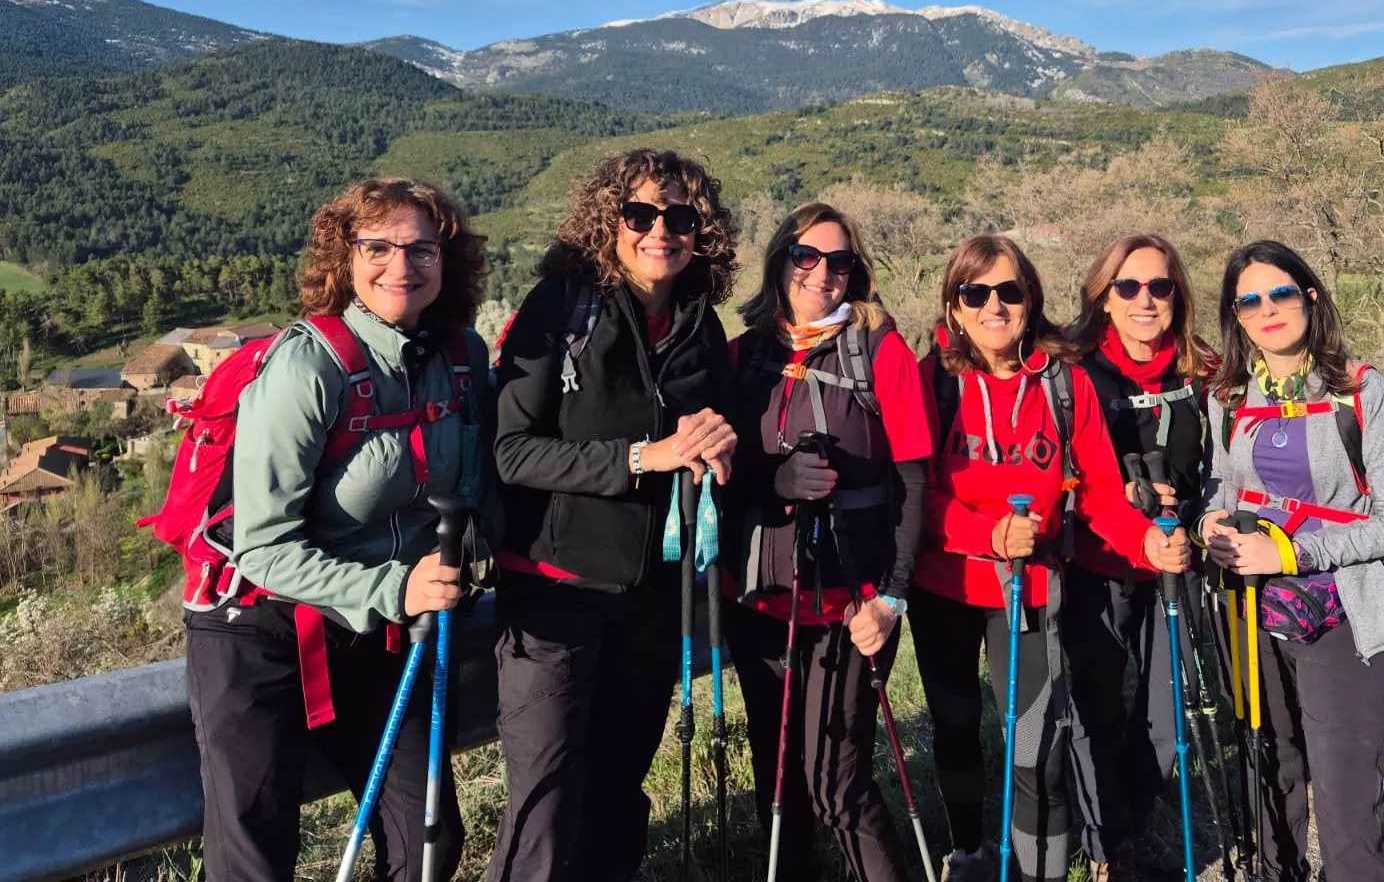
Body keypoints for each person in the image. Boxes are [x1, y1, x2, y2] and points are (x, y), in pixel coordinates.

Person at [185, 177, 497, 882]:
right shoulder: (309, 365)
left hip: (378, 631)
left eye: (422, 249)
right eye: (377, 247)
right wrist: (398, 588)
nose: (400, 266)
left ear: (446, 261)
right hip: (260, 627)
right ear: (345, 257)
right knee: (255, 862)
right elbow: (262, 546)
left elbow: (479, 487)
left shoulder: (460, 358)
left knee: (427, 844)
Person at [489, 148, 738, 882]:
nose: (661, 230)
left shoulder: (700, 324)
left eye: (680, 217)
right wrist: (641, 457)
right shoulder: (560, 308)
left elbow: (715, 438)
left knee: (618, 794)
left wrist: (719, 451)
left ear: (700, 230)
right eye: (640, 214)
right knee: (543, 806)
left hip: (653, 598)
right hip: (555, 593)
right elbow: (510, 452)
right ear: (609, 222)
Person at [910, 235, 1190, 882]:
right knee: (956, 728)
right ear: (953, 307)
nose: (994, 306)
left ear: (1030, 299)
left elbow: (1098, 493)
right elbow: (917, 493)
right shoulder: (934, 381)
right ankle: (969, 856)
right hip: (945, 586)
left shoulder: (1064, 384)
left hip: (1031, 590)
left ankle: (1041, 872)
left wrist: (1145, 539)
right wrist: (988, 535)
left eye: (1009, 292)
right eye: (975, 293)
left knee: (1038, 753)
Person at [1201, 240, 1384, 882]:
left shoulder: (1362, 391)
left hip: (1345, 616)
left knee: (1346, 802)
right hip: (1251, 612)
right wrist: (1207, 524)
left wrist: (1294, 551)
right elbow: (1221, 489)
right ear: (1236, 317)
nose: (1267, 310)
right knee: (1269, 776)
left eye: (1280, 293)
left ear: (1311, 297)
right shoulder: (1228, 397)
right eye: (1249, 301)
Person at [723, 201, 933, 882]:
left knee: (835, 783)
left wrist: (892, 600)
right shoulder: (743, 355)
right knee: (777, 775)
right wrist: (775, 478)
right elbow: (721, 476)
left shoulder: (881, 352)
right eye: (806, 256)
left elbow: (914, 482)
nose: (822, 273)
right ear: (780, 261)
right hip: (758, 601)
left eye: (838, 261)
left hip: (852, 605)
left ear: (855, 271)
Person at [1060, 234, 1215, 880]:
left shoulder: (1202, 370)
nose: (1144, 300)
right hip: (1099, 565)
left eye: (1159, 286)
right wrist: (1113, 491)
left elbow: (1229, 458)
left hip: (1179, 560)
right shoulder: (1076, 372)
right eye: (1127, 286)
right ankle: (1106, 845)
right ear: (1104, 297)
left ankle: (1137, 819)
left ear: (1178, 295)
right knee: (1096, 708)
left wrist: (1200, 510)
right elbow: (1061, 468)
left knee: (1166, 710)